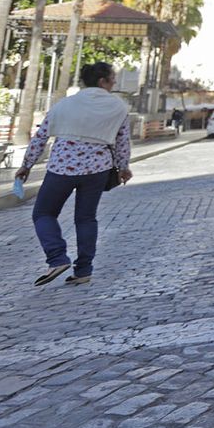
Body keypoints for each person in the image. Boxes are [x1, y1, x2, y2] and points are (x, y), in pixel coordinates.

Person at [15, 62, 132, 287]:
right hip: (98, 169)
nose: (114, 82)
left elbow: (41, 137)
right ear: (102, 81)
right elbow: (121, 142)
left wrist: (26, 165)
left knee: (43, 213)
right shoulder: (118, 107)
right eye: (112, 78)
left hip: (61, 167)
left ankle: (57, 258)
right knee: (86, 218)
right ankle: (84, 270)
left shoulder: (64, 105)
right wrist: (123, 167)